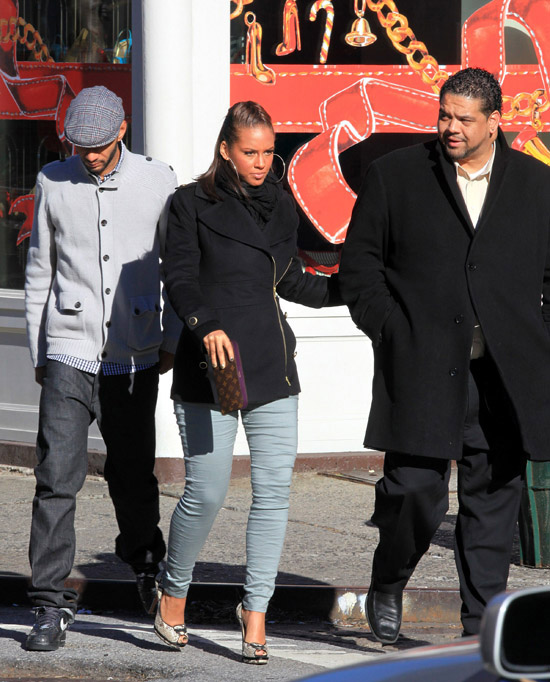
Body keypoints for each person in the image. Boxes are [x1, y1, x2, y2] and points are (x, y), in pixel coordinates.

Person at [339, 67, 550, 642]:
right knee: (413, 491)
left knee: (491, 504)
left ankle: (481, 631)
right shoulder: (396, 176)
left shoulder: (536, 184)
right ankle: (389, 579)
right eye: (444, 115)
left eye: (463, 118)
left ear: (495, 122)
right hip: (423, 365)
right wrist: (391, 330)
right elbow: (359, 268)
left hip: (503, 375)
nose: (450, 127)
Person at [156, 100, 340, 664]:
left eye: (268, 153)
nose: (262, 163)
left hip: (269, 364)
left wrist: (357, 288)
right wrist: (203, 323)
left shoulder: (281, 207)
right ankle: (171, 590)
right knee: (207, 491)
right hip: (215, 366)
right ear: (225, 149)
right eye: (250, 152)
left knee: (273, 492)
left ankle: (255, 612)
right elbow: (180, 276)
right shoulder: (189, 204)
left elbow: (290, 281)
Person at [24, 86, 180, 651]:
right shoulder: (52, 180)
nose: (88, 155)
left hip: (134, 354)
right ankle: (47, 601)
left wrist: (173, 340)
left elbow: (177, 267)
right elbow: (40, 268)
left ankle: (144, 567)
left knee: (133, 476)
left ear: (121, 131)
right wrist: (40, 352)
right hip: (68, 349)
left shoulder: (158, 180)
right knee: (54, 479)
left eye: (98, 144)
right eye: (79, 145)